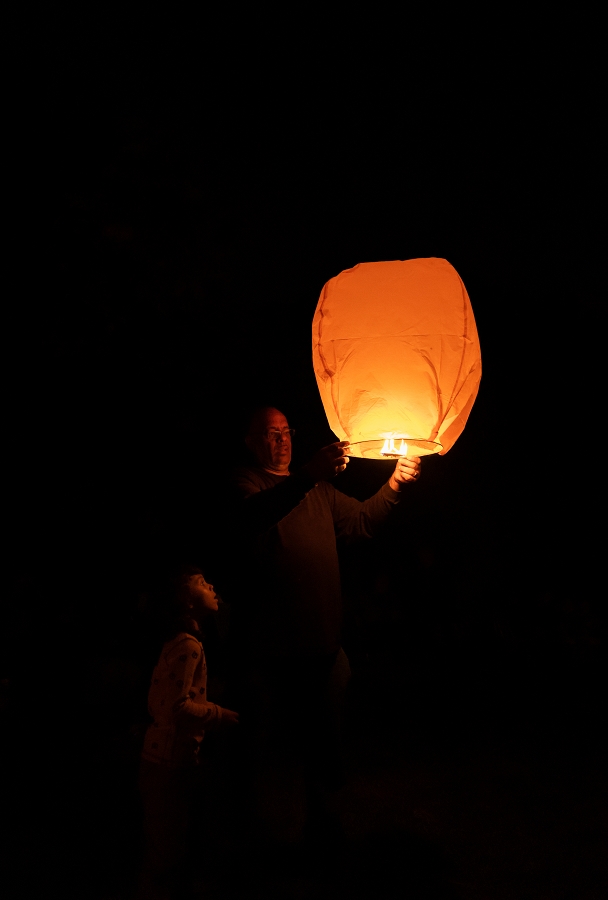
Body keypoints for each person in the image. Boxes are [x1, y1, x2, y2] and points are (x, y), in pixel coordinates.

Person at [231, 407, 421, 847]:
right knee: (271, 750)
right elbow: (255, 518)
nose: (280, 440)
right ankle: (259, 841)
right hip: (273, 652)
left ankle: (323, 834)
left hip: (324, 648)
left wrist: (392, 485)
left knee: (326, 746)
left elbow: (357, 522)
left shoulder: (318, 490)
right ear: (250, 441)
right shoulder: (246, 486)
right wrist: (309, 475)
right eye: (268, 434)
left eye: (285, 431)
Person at [137, 565, 239, 900]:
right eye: (200, 583)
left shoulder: (177, 643)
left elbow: (159, 702)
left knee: (166, 846)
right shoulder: (189, 646)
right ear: (186, 601)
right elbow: (177, 708)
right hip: (169, 762)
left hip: (161, 760)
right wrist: (217, 714)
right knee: (168, 853)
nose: (211, 584)